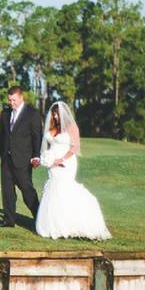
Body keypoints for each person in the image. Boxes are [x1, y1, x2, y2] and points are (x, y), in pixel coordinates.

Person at [34, 102, 112, 240]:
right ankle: (54, 225)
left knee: (65, 189)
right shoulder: (51, 128)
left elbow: (75, 148)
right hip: (53, 164)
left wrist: (61, 159)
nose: (55, 117)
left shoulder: (71, 127)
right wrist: (46, 159)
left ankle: (75, 222)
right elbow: (46, 147)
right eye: (53, 114)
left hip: (66, 163)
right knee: (53, 189)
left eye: (57, 114)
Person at [0, 86, 43, 228]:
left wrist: (36, 156)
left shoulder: (32, 114)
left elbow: (37, 137)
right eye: (9, 100)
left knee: (28, 192)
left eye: (13, 100)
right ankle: (9, 221)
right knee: (7, 193)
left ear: (21, 98)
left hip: (23, 161)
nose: (11, 103)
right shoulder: (5, 114)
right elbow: (0, 137)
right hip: (6, 161)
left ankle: (41, 219)